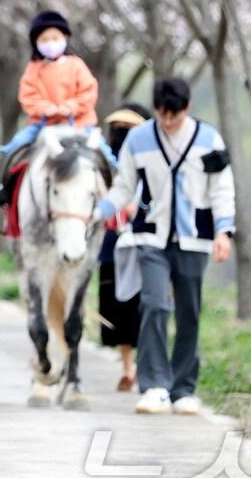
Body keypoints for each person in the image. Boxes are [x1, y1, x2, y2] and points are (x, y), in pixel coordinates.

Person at [95, 78, 236, 416]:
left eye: (174, 115)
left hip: (195, 237)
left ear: (186, 109)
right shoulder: (140, 138)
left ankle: (183, 388)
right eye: (162, 114)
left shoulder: (208, 140)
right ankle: (155, 385)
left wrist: (224, 231)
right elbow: (124, 187)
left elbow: (221, 188)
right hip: (151, 236)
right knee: (154, 305)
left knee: (189, 311)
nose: (168, 122)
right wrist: (97, 213)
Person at [0, 10, 105, 216]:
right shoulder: (33, 69)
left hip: (79, 124)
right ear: (36, 43)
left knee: (105, 154)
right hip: (43, 125)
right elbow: (27, 96)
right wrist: (46, 108)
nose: (50, 43)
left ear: (65, 38)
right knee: (14, 148)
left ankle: (111, 200)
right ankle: (6, 191)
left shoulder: (76, 65)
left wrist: (70, 107)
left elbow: (88, 92)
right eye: (44, 39)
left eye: (55, 38)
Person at [97, 103, 151, 392]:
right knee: (116, 308)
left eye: (128, 129)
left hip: (144, 242)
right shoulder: (103, 163)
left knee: (144, 306)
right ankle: (127, 366)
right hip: (110, 245)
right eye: (118, 129)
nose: (121, 135)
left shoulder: (151, 159)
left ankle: (143, 364)